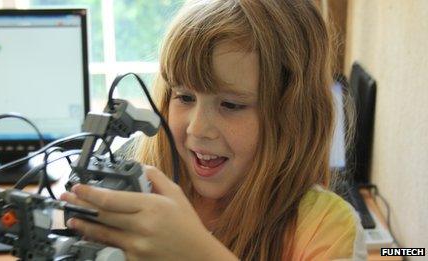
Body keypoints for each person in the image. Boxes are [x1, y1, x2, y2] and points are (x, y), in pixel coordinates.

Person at [61, 0, 366, 260]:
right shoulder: (138, 191)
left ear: (293, 115)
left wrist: (198, 253)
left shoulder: (325, 227)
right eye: (184, 97)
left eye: (231, 105)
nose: (198, 128)